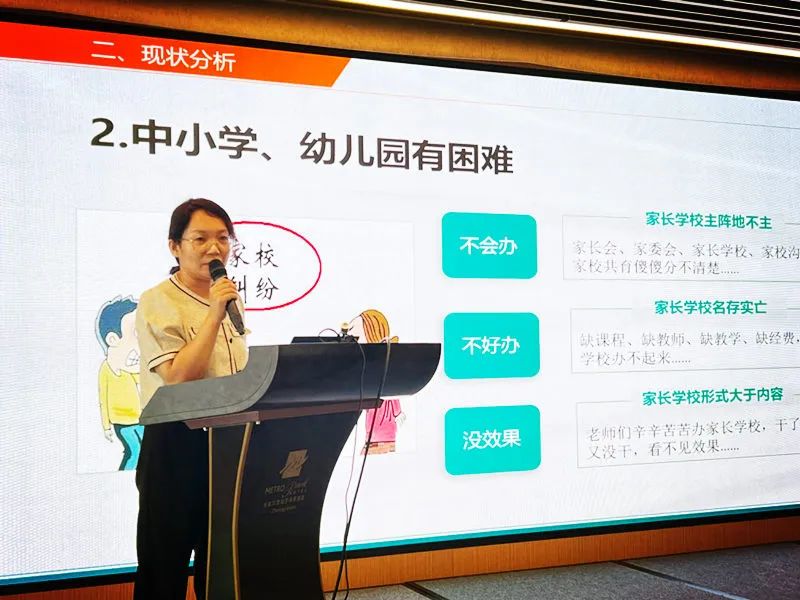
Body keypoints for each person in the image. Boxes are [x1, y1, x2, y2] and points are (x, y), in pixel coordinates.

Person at [133, 198, 248, 600]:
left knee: (218, 563)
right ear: (174, 246)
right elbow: (178, 377)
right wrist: (215, 313)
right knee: (164, 565)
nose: (214, 248)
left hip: (228, 443)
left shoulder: (230, 298)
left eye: (223, 238)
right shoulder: (158, 300)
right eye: (200, 239)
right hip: (175, 443)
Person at [95, 295, 143, 470]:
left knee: (147, 449)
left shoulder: (132, 370)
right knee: (135, 450)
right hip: (122, 422)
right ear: (113, 339)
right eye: (136, 334)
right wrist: (106, 427)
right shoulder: (106, 370)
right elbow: (103, 398)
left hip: (140, 418)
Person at [349, 309, 405, 454]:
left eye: (354, 335)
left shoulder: (383, 367)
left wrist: (398, 412)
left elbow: (393, 394)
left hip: (383, 433)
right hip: (373, 430)